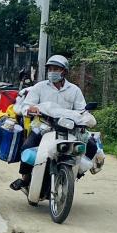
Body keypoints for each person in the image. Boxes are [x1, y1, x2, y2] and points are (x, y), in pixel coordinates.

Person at [10, 54, 96, 191]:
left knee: (91, 146)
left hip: (69, 129)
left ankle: (76, 174)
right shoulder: (39, 87)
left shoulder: (74, 90)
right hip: (44, 126)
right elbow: (25, 106)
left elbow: (81, 110)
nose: (52, 72)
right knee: (27, 147)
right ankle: (25, 179)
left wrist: (85, 118)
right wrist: (30, 110)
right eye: (50, 69)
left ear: (64, 71)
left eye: (56, 69)